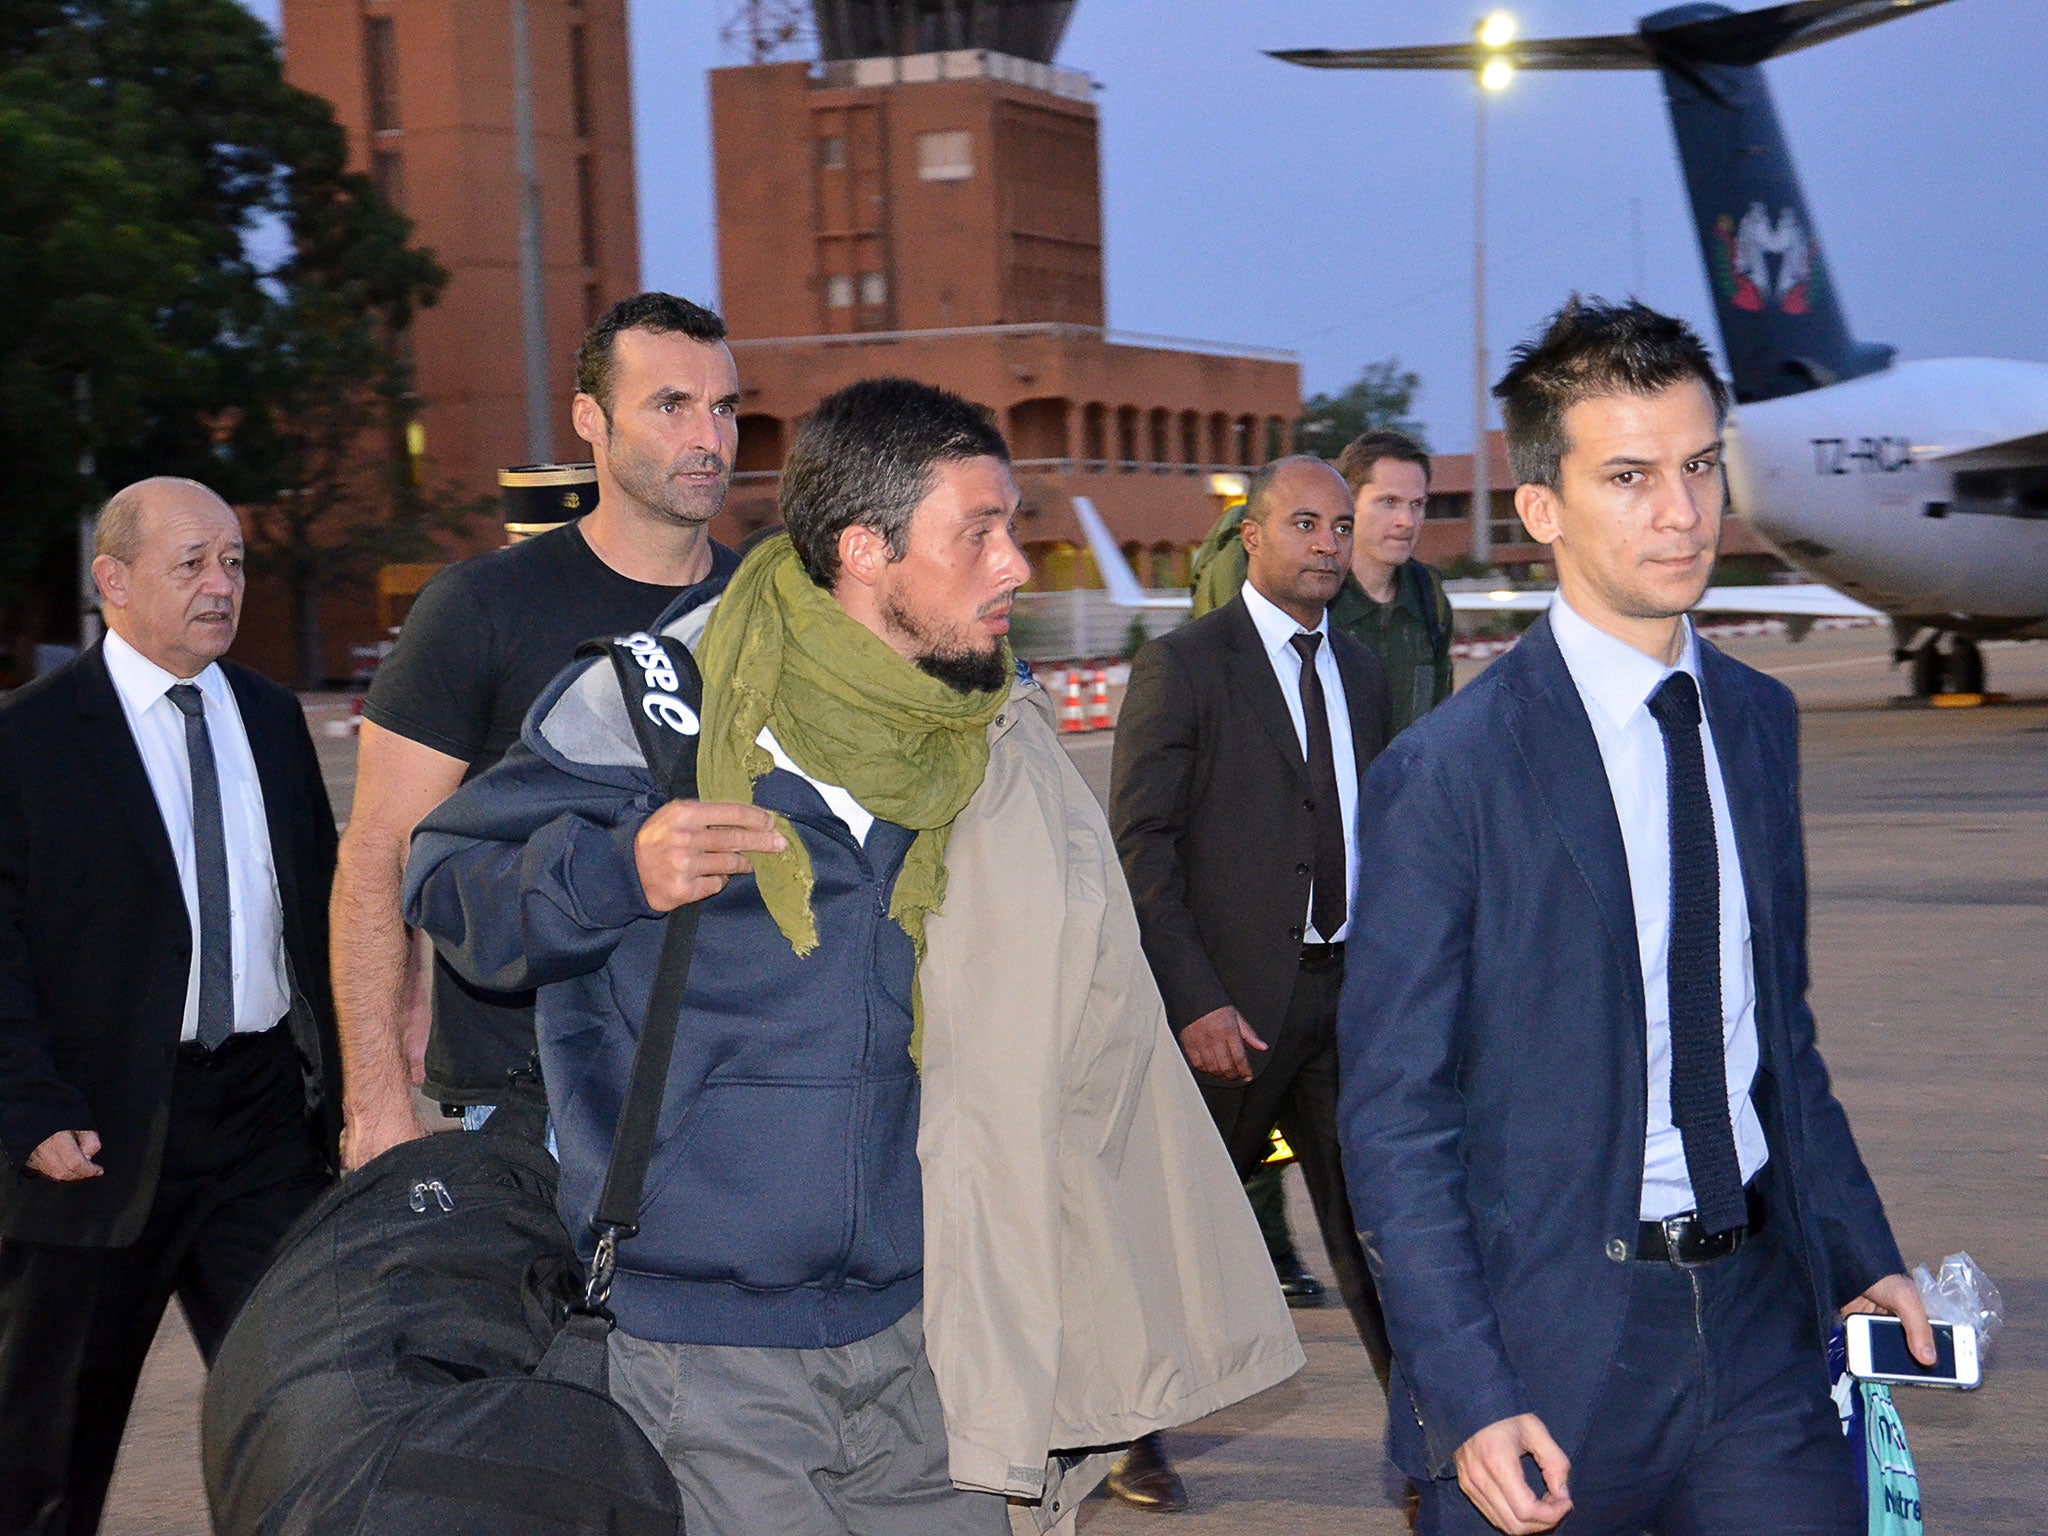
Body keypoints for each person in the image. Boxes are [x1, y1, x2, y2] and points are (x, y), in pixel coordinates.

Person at [403, 378, 1300, 1535]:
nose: (1014, 564)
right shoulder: (653, 705)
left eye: (1009, 526)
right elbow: (446, 883)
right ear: (865, 549)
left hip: (935, 1333)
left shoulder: (985, 736)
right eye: (976, 532)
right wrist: (614, 870)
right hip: (709, 1352)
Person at [1337, 298, 1931, 1536]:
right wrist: (1465, 1388)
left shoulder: (1758, 723)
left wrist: (1855, 1250)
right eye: (1628, 475)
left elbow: (1779, 1039)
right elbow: (1395, 1115)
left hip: (1763, 1327)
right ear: (1541, 508)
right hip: (1549, 1353)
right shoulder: (1449, 773)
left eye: (1698, 465)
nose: (1680, 510)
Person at [333, 292, 744, 1168]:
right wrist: (375, 1105)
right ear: (590, 421)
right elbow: (379, 853)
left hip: (727, 1086)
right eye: (671, 405)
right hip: (529, 1103)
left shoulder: (768, 613)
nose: (708, 436)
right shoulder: (481, 607)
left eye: (724, 407)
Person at [0, 479, 339, 1536]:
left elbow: (322, 915)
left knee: (313, 1408)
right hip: (94, 1133)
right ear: (113, 582)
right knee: (50, 1446)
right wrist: (29, 1104)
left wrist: (355, 1090)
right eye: (191, 562)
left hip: (262, 1129)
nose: (220, 584)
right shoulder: (32, 741)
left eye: (234, 562)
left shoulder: (275, 721)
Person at [1110, 455, 1393, 1510]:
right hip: (1226, 1015)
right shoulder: (1183, 667)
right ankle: (1130, 1433)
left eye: (1340, 525)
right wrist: (1193, 1000)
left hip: (1345, 1002)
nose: (1326, 543)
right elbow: (1138, 846)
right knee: (1173, 1232)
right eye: (1305, 524)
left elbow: (1372, 836)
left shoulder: (1360, 675)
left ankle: (1431, 1447)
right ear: (1252, 539)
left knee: (1381, 1234)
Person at [1190, 430, 1454, 1310]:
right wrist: (1196, 990)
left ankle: (1431, 1427)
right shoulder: (1229, 632)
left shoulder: (1404, 622)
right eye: (1386, 503)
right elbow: (1159, 830)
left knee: (1375, 1203)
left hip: (1351, 959)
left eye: (1417, 505)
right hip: (1250, 962)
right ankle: (1130, 1433)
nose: (1399, 523)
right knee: (1185, 1209)